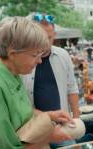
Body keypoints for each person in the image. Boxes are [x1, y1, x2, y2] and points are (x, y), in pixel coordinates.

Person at [0, 17, 73, 149]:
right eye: (35, 55)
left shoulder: (14, 74)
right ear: (13, 53)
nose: (39, 61)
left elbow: (22, 113)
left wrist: (50, 115)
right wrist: (50, 137)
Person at [24, 13, 80, 148]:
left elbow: (72, 88)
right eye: (40, 37)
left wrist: (77, 120)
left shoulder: (63, 55)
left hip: (63, 126)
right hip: (34, 128)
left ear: (54, 35)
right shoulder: (23, 59)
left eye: (48, 37)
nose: (44, 42)